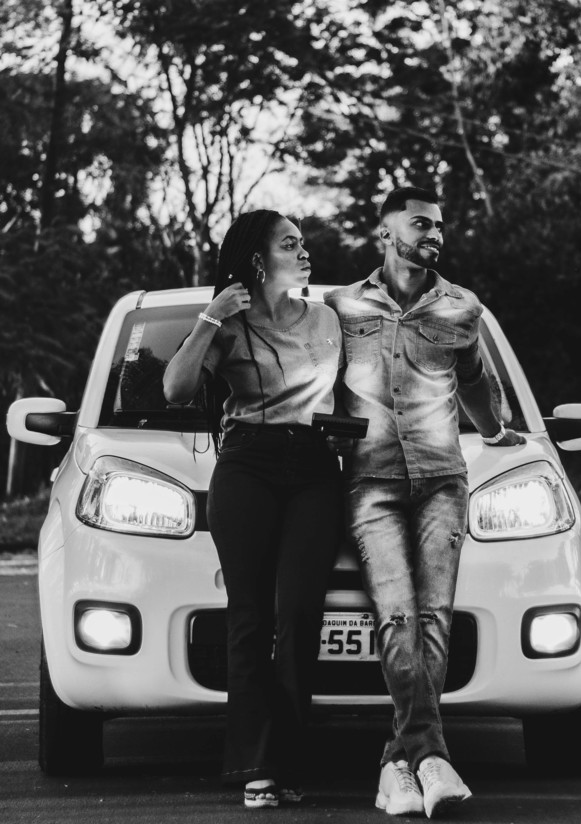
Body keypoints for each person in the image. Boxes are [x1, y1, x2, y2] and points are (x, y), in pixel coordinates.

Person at [325, 187, 526, 819]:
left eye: (439, 225)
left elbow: (475, 383)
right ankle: (429, 754)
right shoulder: (341, 307)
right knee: (397, 614)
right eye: (420, 224)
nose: (434, 233)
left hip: (443, 479)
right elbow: (313, 385)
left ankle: (400, 763)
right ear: (385, 234)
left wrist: (495, 432)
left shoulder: (462, 307)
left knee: (435, 615)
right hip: (371, 482)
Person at [162, 210, 344, 809]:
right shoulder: (228, 325)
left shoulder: (327, 318)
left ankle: (288, 759)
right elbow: (176, 390)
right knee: (250, 618)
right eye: (291, 244)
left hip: (315, 468)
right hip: (247, 466)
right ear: (260, 260)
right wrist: (210, 317)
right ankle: (255, 766)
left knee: (299, 613)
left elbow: (352, 394)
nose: (305, 251)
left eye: (304, 242)